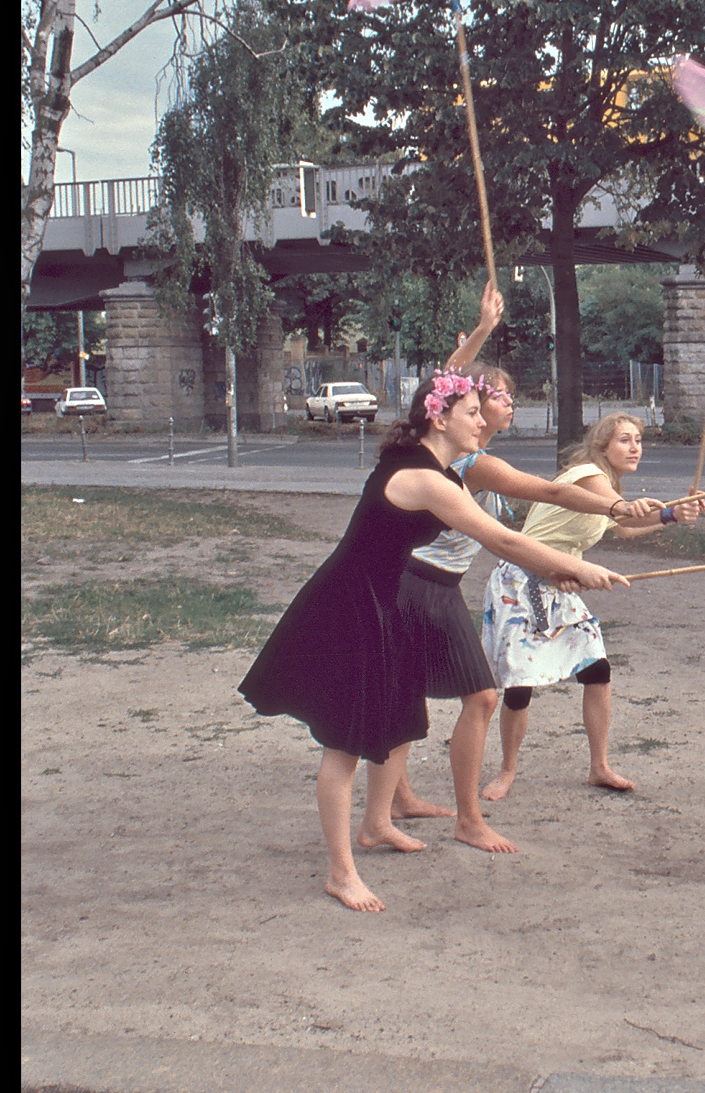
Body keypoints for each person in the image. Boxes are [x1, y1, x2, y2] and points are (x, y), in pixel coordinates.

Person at [238, 372, 629, 912]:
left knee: (388, 717)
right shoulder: (422, 478)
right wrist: (574, 567)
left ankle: (376, 825)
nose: (481, 418)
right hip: (349, 605)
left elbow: (508, 528)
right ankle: (341, 872)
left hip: (381, 600)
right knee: (344, 743)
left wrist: (566, 568)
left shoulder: (436, 467)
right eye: (471, 411)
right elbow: (501, 539)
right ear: (439, 418)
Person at [384, 368, 671, 846]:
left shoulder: (473, 456)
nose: (507, 406)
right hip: (430, 582)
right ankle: (463, 810)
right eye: (492, 400)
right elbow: (530, 513)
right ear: (450, 412)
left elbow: (515, 532)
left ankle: (405, 800)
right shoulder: (469, 462)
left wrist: (656, 517)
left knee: (435, 691)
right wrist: (609, 518)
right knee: (487, 693)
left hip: (458, 583)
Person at [481, 412, 699, 800]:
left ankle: (599, 767)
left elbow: (626, 525)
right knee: (520, 684)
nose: (635, 448)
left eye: (638, 440)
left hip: (561, 580)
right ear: (602, 447)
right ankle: (506, 771)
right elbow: (621, 509)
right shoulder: (586, 475)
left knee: (597, 669)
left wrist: (670, 515)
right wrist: (636, 507)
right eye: (624, 440)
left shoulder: (608, 486)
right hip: (523, 578)